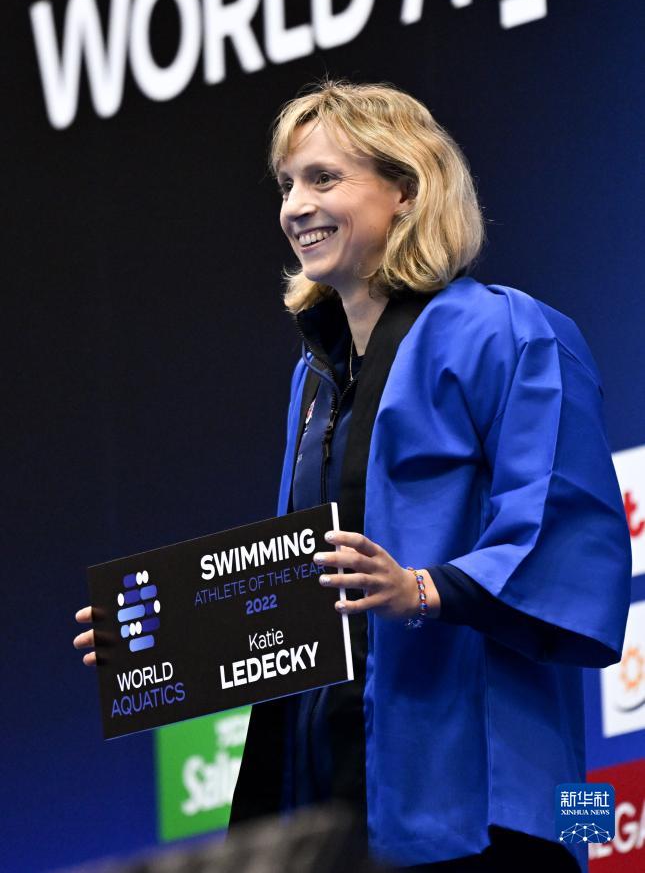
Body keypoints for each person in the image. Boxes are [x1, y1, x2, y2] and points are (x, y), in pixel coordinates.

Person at [75, 80, 631, 871]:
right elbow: (302, 589)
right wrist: (163, 642)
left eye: (324, 178)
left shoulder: (509, 331)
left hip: (475, 790)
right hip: (336, 793)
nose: (295, 206)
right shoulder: (314, 378)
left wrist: (421, 588)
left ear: (406, 188)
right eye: (286, 184)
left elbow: (561, 536)